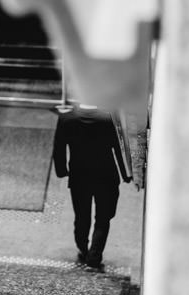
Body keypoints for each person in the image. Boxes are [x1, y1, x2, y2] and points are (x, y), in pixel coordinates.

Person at [51, 103, 132, 271]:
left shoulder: (67, 118)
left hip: (79, 175)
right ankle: (94, 256)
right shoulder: (108, 117)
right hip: (106, 175)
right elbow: (119, 146)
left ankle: (82, 247)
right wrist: (126, 173)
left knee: (81, 215)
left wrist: (61, 170)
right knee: (103, 218)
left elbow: (59, 146)